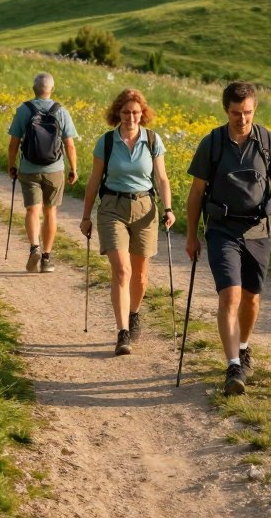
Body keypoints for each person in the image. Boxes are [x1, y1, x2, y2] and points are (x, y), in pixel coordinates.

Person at [185, 81, 271, 396]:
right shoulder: (213, 143)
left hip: (258, 231)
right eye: (235, 113)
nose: (242, 119)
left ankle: (243, 347)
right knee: (229, 296)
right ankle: (233, 364)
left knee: (251, 298)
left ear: (254, 109)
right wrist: (191, 235)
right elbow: (196, 193)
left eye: (247, 113)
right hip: (222, 230)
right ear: (225, 110)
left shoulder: (268, 142)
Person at [80, 89, 176, 356]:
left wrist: (168, 208)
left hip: (145, 208)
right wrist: (86, 216)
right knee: (122, 271)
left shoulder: (153, 140)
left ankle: (134, 314)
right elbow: (93, 181)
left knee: (141, 275)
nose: (131, 117)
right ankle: (122, 332)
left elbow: (162, 179)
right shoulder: (107, 142)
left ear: (142, 114)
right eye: (125, 112)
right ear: (117, 114)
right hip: (112, 208)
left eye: (135, 112)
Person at [7, 72, 78, 273]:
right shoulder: (60, 111)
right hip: (54, 169)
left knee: (32, 210)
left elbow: (13, 144)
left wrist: (12, 165)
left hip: (29, 168)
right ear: (51, 90)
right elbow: (70, 145)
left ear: (34, 89)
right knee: (50, 212)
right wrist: (73, 168)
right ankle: (46, 258)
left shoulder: (24, 110)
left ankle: (34, 247)